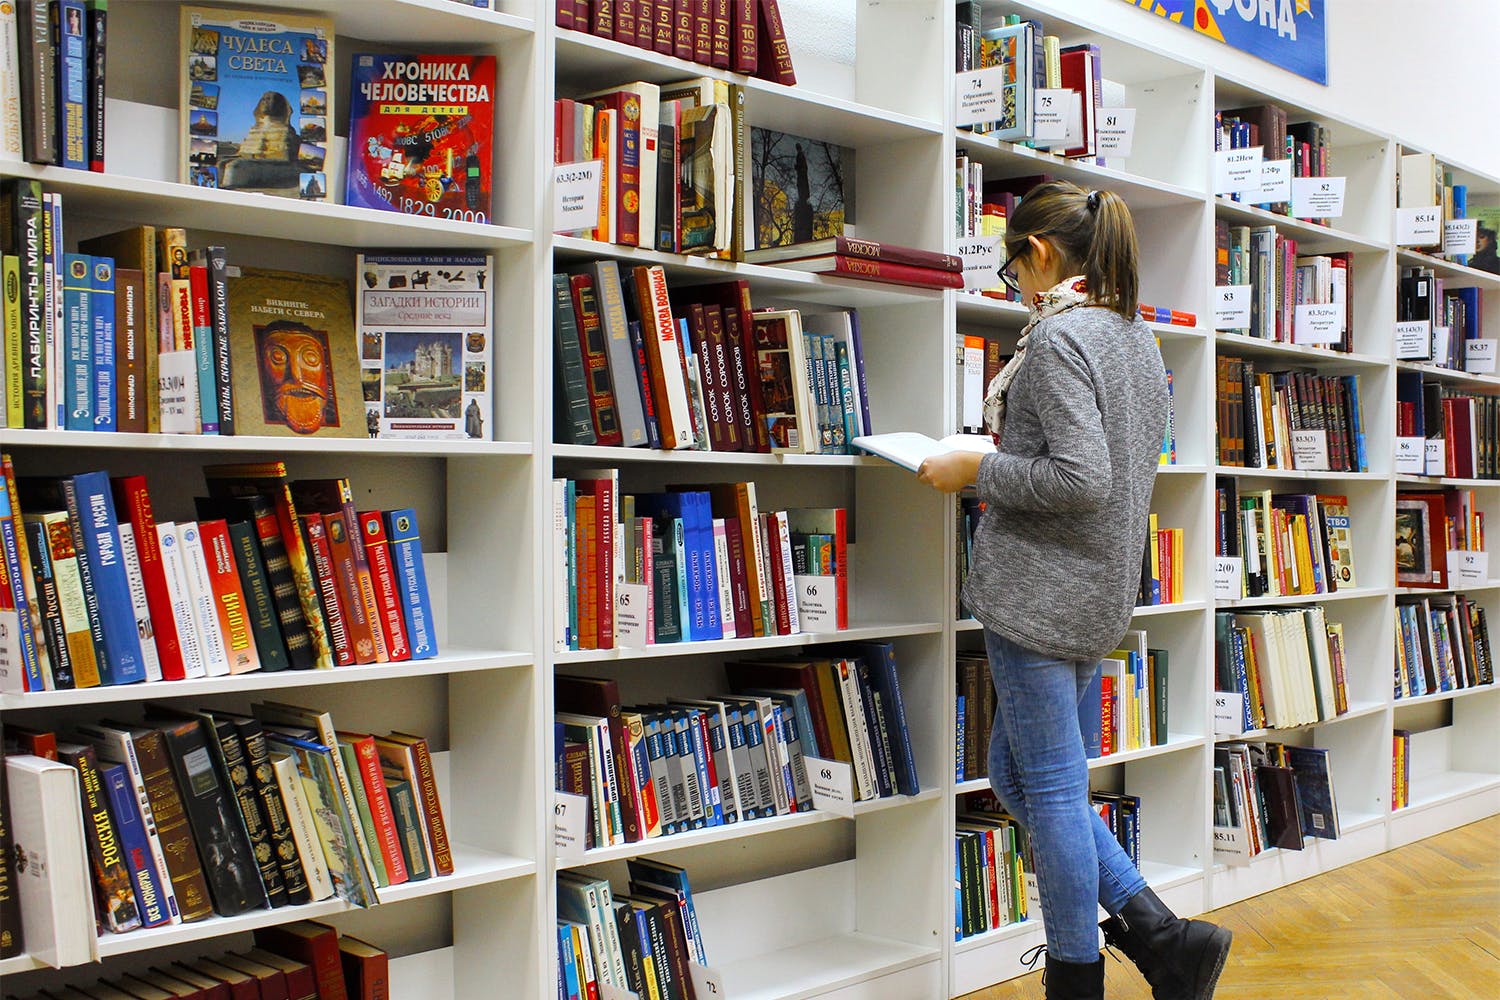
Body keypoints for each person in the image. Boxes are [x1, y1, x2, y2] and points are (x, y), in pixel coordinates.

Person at [918, 180, 1231, 1000]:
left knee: (1049, 788)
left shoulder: (1059, 342)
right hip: (1095, 592)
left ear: (1043, 254)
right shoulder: (1131, 335)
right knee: (1021, 779)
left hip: (1038, 594)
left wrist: (973, 467)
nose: (1008, 280)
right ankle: (1163, 938)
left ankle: (1078, 976)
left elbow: (1081, 478)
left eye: (1011, 262)